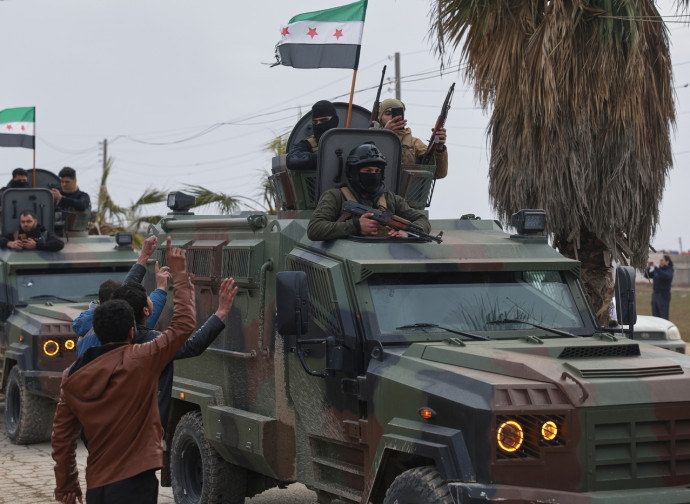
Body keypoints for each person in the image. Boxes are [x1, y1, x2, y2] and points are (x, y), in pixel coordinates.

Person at [51, 238, 197, 504]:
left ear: (96, 330)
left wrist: (67, 484)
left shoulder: (71, 376)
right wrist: (180, 276)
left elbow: (62, 439)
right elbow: (183, 327)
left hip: (97, 485)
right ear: (131, 332)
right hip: (136, 482)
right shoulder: (142, 359)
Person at [109, 276, 236, 436]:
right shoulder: (153, 343)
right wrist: (221, 312)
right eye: (149, 297)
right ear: (145, 311)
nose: (151, 299)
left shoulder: (110, 338)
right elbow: (193, 346)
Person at [307, 141, 431, 241]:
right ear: (354, 173)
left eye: (377, 171)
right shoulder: (335, 196)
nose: (373, 175)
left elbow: (422, 220)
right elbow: (315, 229)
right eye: (368, 171)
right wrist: (355, 226)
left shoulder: (391, 199)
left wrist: (406, 233)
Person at [73, 235, 170, 351]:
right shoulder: (122, 327)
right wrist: (161, 288)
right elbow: (148, 315)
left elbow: (127, 289)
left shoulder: (88, 327)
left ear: (100, 303)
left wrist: (143, 257)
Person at [374, 98, 448, 179]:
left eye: (396, 113)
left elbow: (439, 173)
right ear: (380, 118)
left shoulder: (415, 143)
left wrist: (439, 148)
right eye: (388, 114)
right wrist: (385, 136)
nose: (392, 117)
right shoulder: (372, 137)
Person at [286, 100, 339, 171]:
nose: (319, 124)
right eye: (315, 122)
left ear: (335, 120)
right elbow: (292, 160)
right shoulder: (308, 144)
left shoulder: (346, 140)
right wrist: (324, 159)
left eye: (324, 120)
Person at [0, 210, 64, 251]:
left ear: (35, 222)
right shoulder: (16, 235)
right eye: (23, 222)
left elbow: (59, 244)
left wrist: (37, 245)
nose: (25, 224)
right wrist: (9, 243)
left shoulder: (44, 234)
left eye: (29, 221)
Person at [645, 254, 674, 320]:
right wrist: (648, 268)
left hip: (664, 295)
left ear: (667, 261)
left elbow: (666, 276)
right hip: (655, 294)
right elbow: (647, 276)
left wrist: (656, 268)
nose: (660, 261)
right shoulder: (658, 270)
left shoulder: (669, 270)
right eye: (660, 260)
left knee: (663, 314)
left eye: (662, 260)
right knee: (655, 315)